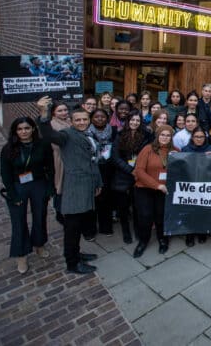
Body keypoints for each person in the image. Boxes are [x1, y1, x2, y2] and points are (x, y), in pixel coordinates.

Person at [36, 96, 102, 275]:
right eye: (77, 120)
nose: (81, 122)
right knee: (71, 228)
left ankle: (77, 253)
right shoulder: (66, 135)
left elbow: (93, 161)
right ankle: (72, 263)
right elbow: (49, 134)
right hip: (74, 188)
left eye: (84, 119)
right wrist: (43, 113)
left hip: (88, 185)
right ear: (71, 121)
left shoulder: (87, 134)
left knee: (79, 226)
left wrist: (98, 183)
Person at [0, 117, 55, 274]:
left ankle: (39, 245)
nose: (24, 132)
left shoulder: (43, 145)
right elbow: (5, 173)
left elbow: (50, 166)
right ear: (15, 131)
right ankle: (21, 255)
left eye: (27, 128)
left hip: (38, 183)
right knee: (18, 221)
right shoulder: (8, 148)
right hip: (18, 186)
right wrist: (12, 194)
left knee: (40, 216)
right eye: (20, 129)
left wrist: (50, 187)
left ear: (33, 129)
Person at [132, 125, 174, 257]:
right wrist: (157, 185)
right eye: (162, 135)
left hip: (164, 191)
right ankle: (143, 242)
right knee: (145, 216)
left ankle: (163, 240)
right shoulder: (148, 149)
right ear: (157, 135)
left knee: (161, 216)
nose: (165, 138)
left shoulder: (175, 151)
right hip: (145, 188)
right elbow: (139, 171)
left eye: (168, 135)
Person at [111, 111, 152, 244]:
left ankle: (137, 230)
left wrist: (138, 171)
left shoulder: (145, 136)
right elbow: (115, 157)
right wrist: (130, 170)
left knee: (137, 206)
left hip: (139, 176)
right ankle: (126, 231)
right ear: (128, 121)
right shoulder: (120, 135)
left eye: (137, 121)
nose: (135, 123)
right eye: (132, 120)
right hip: (123, 175)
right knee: (123, 207)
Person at [86, 108, 117, 238]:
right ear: (91, 119)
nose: (100, 119)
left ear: (107, 118)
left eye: (103, 117)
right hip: (92, 169)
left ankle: (106, 227)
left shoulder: (113, 131)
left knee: (106, 199)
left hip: (108, 169)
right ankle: (90, 230)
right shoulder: (86, 133)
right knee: (92, 200)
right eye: (96, 117)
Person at [50, 102, 71, 225]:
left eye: (65, 110)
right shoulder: (53, 125)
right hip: (60, 159)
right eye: (60, 111)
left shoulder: (69, 121)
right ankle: (59, 212)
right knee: (60, 186)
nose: (64, 113)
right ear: (54, 113)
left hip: (70, 157)